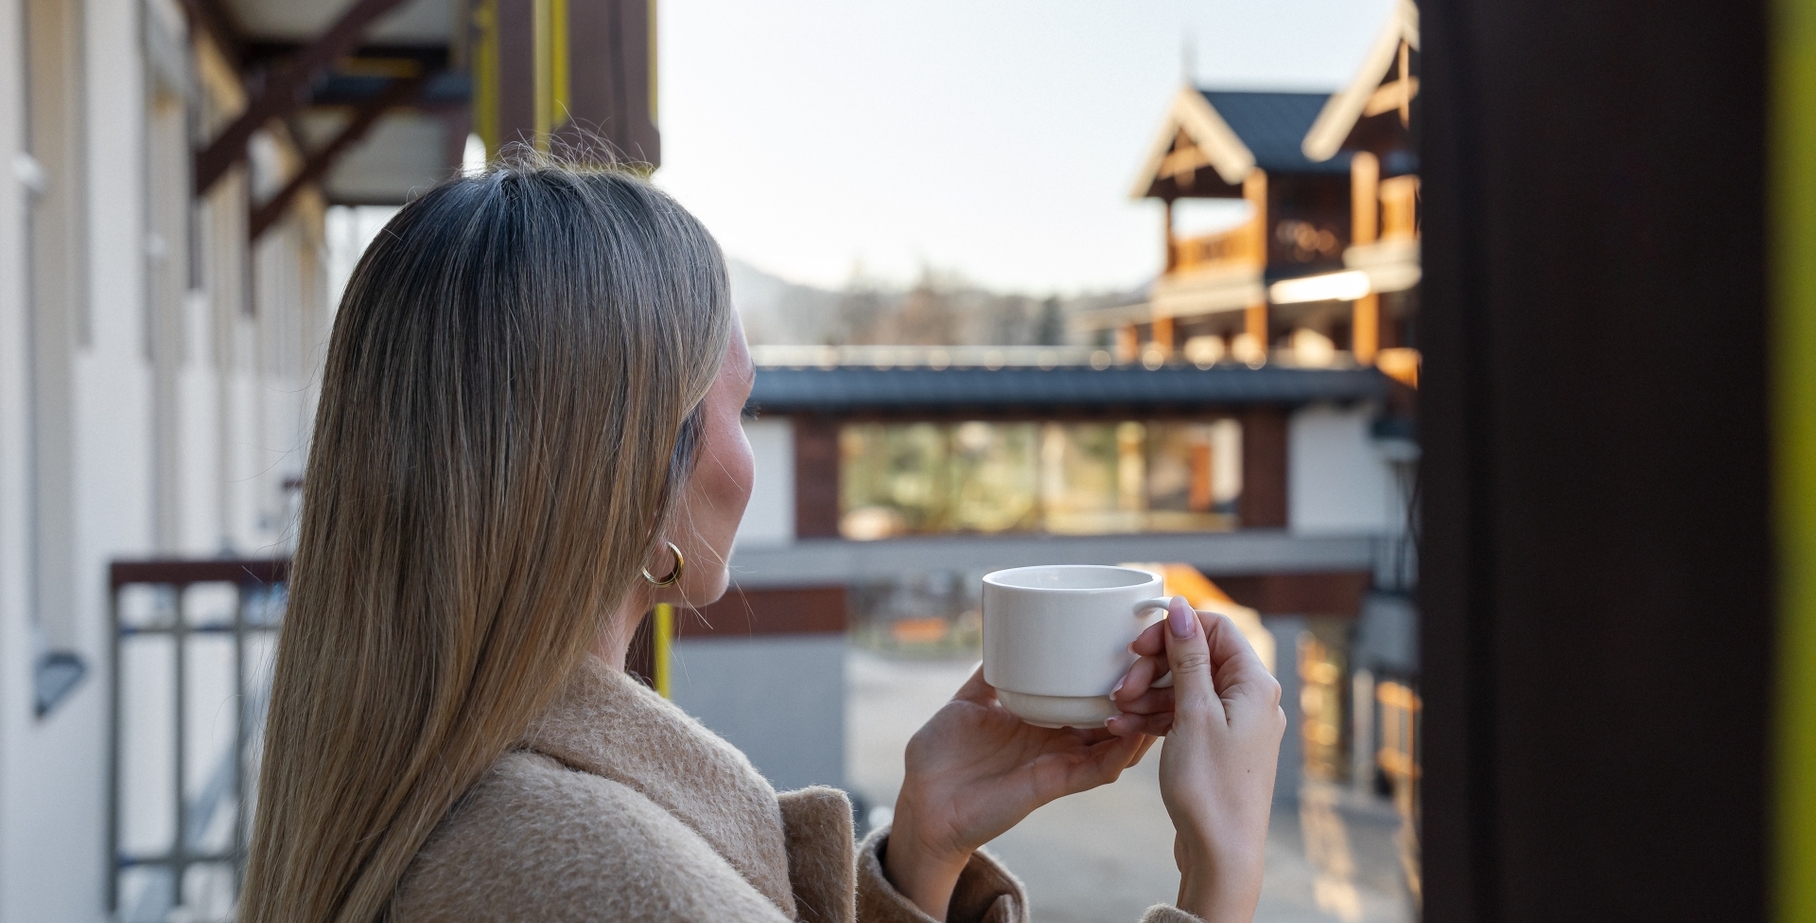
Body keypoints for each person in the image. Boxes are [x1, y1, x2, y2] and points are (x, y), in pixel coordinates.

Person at [240, 162, 1285, 923]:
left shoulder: (459, 795)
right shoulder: (598, 877)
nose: (752, 458)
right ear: (635, 466)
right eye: (741, 401)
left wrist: (922, 848)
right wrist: (1221, 870)